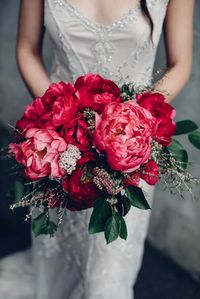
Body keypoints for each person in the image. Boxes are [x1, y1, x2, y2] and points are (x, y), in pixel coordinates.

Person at [16, 0, 195, 298]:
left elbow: (181, 63)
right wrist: (63, 125)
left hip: (126, 152)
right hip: (60, 148)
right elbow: (26, 49)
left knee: (106, 281)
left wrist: (133, 121)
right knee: (58, 262)